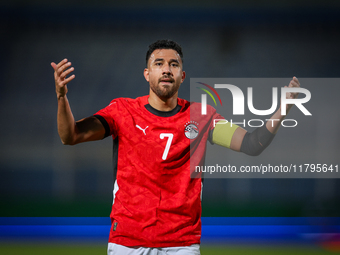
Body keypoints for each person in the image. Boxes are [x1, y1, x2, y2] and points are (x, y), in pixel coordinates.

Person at [51, 39, 300, 255]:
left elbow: (252, 144)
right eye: (158, 64)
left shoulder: (202, 116)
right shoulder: (122, 111)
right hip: (128, 241)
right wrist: (62, 97)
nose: (166, 69)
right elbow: (70, 135)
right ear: (147, 73)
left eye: (173, 64)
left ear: (182, 74)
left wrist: (283, 109)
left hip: (181, 243)